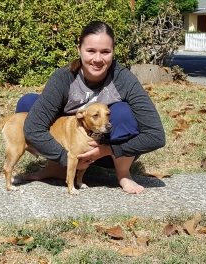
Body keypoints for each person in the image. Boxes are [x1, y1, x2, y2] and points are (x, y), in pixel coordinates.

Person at [15, 20, 166, 194]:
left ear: (113, 52)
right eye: (91, 51)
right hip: (73, 147)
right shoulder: (64, 78)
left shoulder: (124, 79)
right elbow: (33, 127)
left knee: (123, 113)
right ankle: (56, 168)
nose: (98, 59)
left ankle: (123, 173)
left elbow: (156, 136)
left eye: (105, 52)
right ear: (79, 49)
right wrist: (65, 157)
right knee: (27, 104)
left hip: (110, 154)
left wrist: (106, 150)